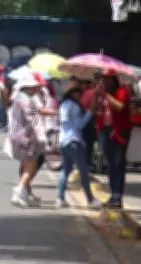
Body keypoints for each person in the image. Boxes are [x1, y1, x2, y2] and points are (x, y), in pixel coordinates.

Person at [56, 81, 101, 209]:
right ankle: (90, 199)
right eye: (78, 93)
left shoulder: (63, 105)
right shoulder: (74, 106)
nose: (80, 96)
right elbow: (79, 125)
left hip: (64, 141)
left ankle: (60, 198)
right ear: (72, 93)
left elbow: (64, 121)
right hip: (75, 141)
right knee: (83, 171)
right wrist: (89, 114)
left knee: (65, 170)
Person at [8, 74, 45, 207]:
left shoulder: (18, 98)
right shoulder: (25, 100)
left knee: (26, 166)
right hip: (26, 137)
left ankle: (22, 194)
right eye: (33, 86)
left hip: (19, 136)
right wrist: (40, 134)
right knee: (31, 166)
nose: (36, 88)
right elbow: (31, 118)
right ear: (27, 87)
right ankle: (19, 190)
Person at [97, 70, 132, 208]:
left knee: (118, 163)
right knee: (110, 163)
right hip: (105, 130)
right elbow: (94, 109)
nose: (104, 82)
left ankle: (117, 195)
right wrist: (96, 95)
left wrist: (105, 94)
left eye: (107, 79)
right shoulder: (102, 93)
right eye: (103, 79)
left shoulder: (121, 91)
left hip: (118, 131)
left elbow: (119, 106)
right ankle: (112, 194)